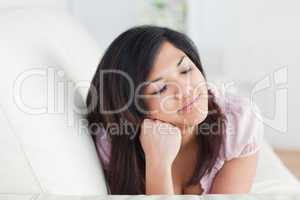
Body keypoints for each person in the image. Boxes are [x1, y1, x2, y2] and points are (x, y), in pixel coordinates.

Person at [85, 25, 264, 195]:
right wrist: (158, 163)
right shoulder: (112, 143)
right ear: (133, 107)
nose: (186, 90)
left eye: (186, 70)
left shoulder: (238, 123)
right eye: (161, 89)